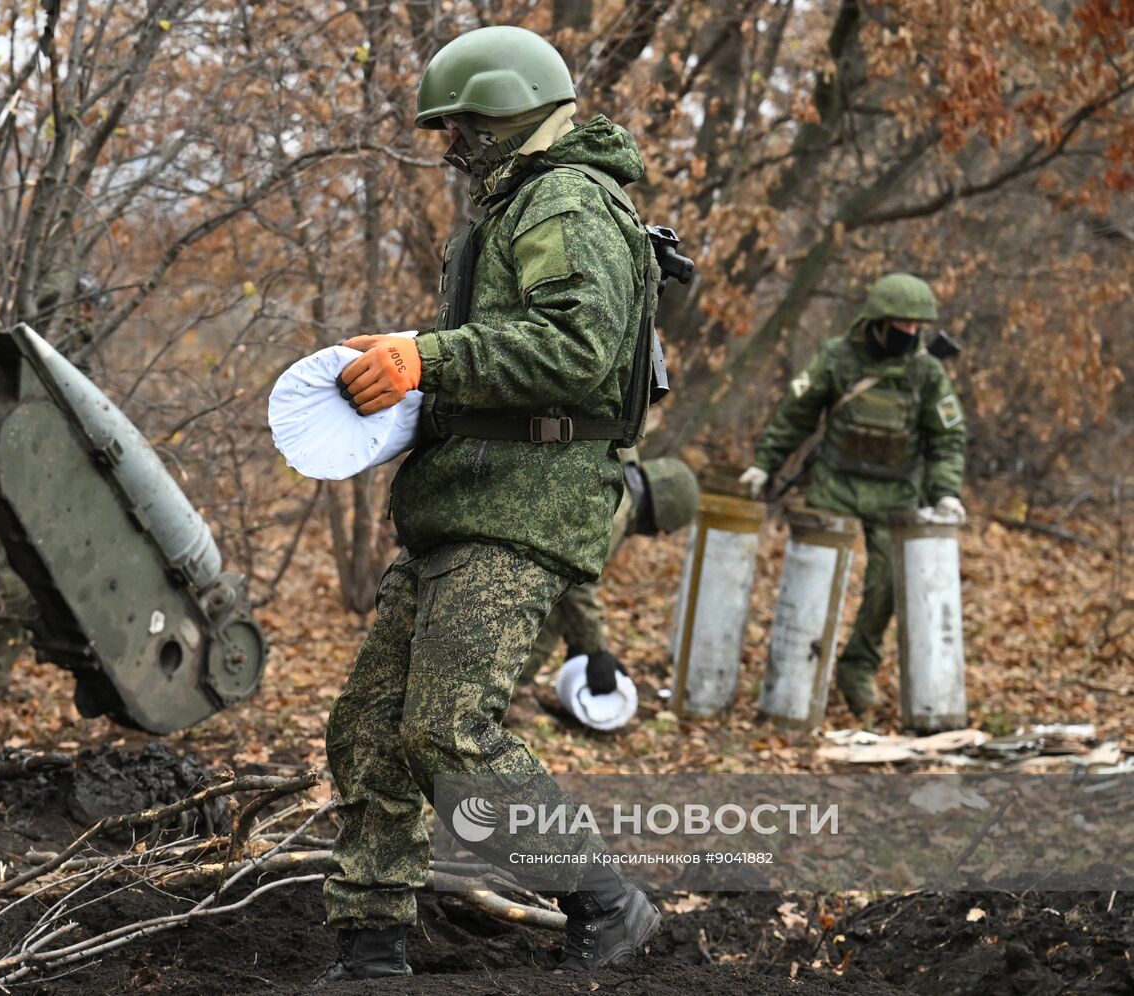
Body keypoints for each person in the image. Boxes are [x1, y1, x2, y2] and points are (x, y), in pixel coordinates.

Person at [316, 24, 663, 983]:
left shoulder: (567, 200)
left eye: (461, 126)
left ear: (508, 113)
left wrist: (426, 356)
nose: (452, 146)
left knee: (448, 729)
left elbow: (576, 349)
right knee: (370, 729)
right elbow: (501, 353)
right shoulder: (517, 206)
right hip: (464, 501)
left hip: (524, 508)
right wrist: (403, 368)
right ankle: (372, 952)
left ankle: (604, 900)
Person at [738, 273, 966, 717]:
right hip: (836, 483)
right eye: (902, 325)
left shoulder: (926, 372)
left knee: (889, 583)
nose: (911, 333)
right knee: (814, 577)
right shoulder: (837, 358)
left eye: (917, 326)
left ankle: (857, 667)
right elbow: (796, 414)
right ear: (878, 322)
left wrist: (946, 493)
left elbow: (947, 439)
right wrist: (765, 463)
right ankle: (799, 671)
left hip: (897, 491)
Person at [515, 452, 699, 710]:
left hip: (525, 534)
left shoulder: (616, 472)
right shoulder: (617, 513)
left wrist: (580, 642)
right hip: (523, 556)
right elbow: (579, 582)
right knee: (555, 612)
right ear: (656, 514)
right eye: (655, 530)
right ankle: (507, 693)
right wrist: (594, 650)